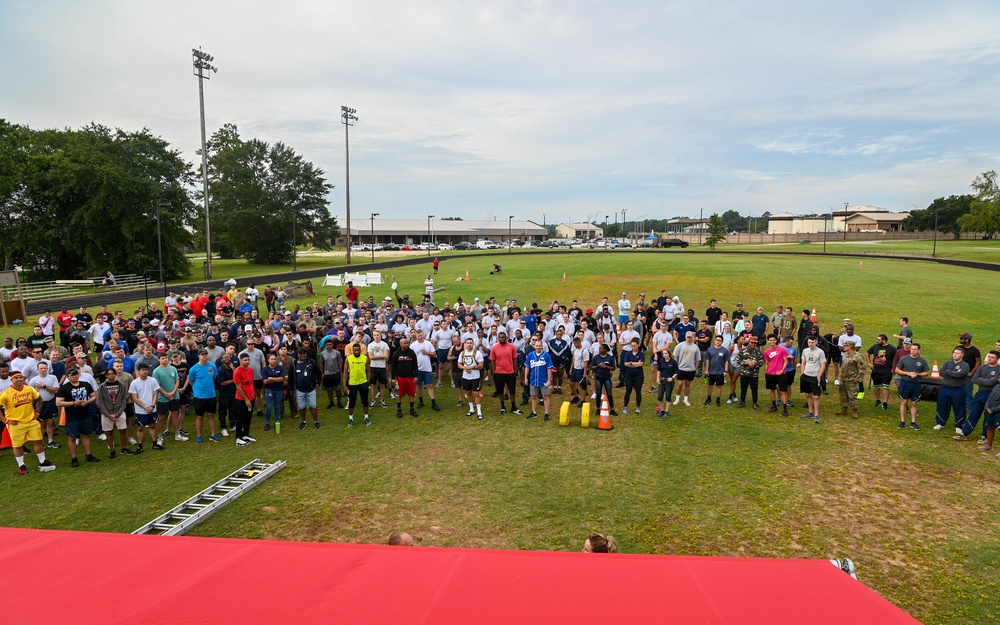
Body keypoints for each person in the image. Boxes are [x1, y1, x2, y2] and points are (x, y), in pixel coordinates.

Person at [1, 372, 58, 474]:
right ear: (11, 380)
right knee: (17, 445)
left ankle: (42, 461)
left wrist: (37, 412)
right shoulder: (6, 393)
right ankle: (21, 466)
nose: (19, 379)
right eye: (16, 378)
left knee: (38, 441)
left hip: (31, 421)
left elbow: (39, 399)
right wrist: (5, 420)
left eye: (20, 377)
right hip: (16, 424)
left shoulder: (29, 389)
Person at [56, 368, 99, 467]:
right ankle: (74, 458)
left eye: (76, 374)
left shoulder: (86, 384)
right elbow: (58, 402)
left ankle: (89, 455)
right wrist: (74, 403)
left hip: (85, 414)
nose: (75, 376)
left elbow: (93, 395)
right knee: (72, 437)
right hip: (72, 417)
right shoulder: (64, 388)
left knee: (86, 435)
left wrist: (88, 402)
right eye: (72, 375)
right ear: (68, 377)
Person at [961, 350, 1000, 444]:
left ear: (997, 359)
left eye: (992, 357)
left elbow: (993, 382)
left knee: (988, 416)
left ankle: (984, 436)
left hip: (991, 395)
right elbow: (974, 379)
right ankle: (965, 433)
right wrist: (986, 381)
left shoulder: (999, 369)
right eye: (989, 356)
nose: (990, 358)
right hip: (980, 393)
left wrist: (981, 380)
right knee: (974, 413)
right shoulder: (982, 367)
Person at [129, 363, 163, 452]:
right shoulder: (134, 383)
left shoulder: (153, 381)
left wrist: (152, 406)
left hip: (152, 408)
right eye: (142, 370)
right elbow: (135, 398)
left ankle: (154, 444)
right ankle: (140, 446)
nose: (145, 372)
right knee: (140, 427)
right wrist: (145, 407)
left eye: (146, 370)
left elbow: (156, 394)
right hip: (141, 410)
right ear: (138, 371)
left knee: (152, 426)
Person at [96, 367, 130, 457]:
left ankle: (124, 448)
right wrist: (106, 414)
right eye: (109, 374)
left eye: (112, 373)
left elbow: (123, 400)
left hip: (119, 411)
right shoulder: (102, 387)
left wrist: (119, 412)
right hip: (107, 412)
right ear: (106, 375)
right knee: (109, 432)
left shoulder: (121, 385)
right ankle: (112, 450)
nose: (111, 375)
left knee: (122, 430)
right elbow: (101, 401)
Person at [188, 349, 220, 443]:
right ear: (199, 356)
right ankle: (199, 435)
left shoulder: (212, 366)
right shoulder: (193, 369)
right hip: (199, 396)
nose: (204, 356)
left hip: (211, 395)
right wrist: (197, 389)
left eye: (206, 354)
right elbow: (191, 381)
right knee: (199, 416)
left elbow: (214, 377)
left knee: (211, 415)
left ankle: (213, 434)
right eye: (202, 355)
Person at [895, 342, 929, 430]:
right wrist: (907, 373)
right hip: (905, 383)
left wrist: (917, 374)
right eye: (912, 349)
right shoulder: (904, 359)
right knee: (904, 402)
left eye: (915, 349)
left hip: (916, 384)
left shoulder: (922, 360)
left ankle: (913, 422)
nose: (913, 351)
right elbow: (897, 370)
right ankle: (902, 421)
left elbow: (926, 373)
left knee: (914, 403)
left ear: (918, 350)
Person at [935, 347, 970, 435]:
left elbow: (960, 374)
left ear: (962, 355)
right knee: (942, 405)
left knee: (959, 407)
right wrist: (954, 373)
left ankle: (959, 425)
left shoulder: (965, 365)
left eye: (957, 353)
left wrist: (949, 372)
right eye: (954, 352)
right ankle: (941, 422)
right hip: (945, 388)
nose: (955, 354)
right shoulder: (948, 363)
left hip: (958, 389)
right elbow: (941, 372)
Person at [835, 340, 866, 420]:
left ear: (851, 346)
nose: (844, 347)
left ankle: (855, 410)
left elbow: (862, 369)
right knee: (843, 395)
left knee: (852, 396)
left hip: (852, 380)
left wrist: (857, 379)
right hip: (843, 379)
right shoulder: (845, 355)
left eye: (846, 345)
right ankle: (844, 408)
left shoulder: (858, 357)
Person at [524, 337, 554, 421]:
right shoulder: (530, 355)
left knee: (545, 396)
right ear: (534, 346)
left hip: (543, 380)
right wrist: (526, 378)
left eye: (539, 346)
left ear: (542, 346)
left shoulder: (546, 355)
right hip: (533, 379)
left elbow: (549, 368)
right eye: (536, 346)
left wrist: (549, 380)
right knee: (533, 397)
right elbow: (527, 367)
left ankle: (547, 413)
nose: (538, 347)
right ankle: (534, 412)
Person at [799, 336, 827, 424]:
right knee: (808, 394)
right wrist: (802, 373)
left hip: (815, 376)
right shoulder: (805, 351)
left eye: (812, 342)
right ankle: (810, 412)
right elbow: (803, 362)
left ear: (816, 342)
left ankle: (816, 415)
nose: (810, 344)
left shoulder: (820, 352)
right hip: (806, 375)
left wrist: (819, 375)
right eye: (809, 342)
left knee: (816, 396)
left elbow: (823, 365)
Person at [390, 337, 420, 418]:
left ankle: (412, 409)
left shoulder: (411, 353)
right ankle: (399, 409)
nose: (406, 345)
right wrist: (393, 378)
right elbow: (393, 367)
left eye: (407, 343)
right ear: (401, 344)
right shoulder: (396, 354)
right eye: (405, 343)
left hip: (410, 377)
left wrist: (416, 376)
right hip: (400, 378)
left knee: (411, 393)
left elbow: (415, 365)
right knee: (399, 394)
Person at [293, 348, 322, 430]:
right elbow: (291, 376)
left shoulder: (311, 362)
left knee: (313, 405)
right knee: (301, 407)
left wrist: (318, 382)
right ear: (297, 354)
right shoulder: (294, 364)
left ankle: (316, 421)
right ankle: (303, 421)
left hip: (311, 389)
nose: (302, 355)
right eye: (300, 353)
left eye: (304, 353)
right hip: (299, 390)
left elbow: (318, 372)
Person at [866, 335, 896, 411]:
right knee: (876, 386)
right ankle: (878, 400)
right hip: (876, 370)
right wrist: (869, 363)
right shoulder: (875, 347)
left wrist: (893, 368)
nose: (877, 341)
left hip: (886, 371)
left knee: (886, 387)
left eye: (879, 340)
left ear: (884, 340)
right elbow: (867, 353)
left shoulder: (892, 349)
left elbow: (896, 359)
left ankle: (885, 402)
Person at [344, 342, 371, 427]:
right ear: (352, 350)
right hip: (352, 383)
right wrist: (345, 385)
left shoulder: (365, 358)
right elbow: (345, 372)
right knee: (352, 402)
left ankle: (366, 417)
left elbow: (368, 371)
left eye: (358, 350)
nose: (356, 352)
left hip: (363, 383)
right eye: (355, 350)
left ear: (360, 350)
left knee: (365, 401)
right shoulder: (348, 359)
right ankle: (351, 419)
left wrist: (368, 381)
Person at [762, 335, 791, 416]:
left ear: (776, 341)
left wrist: (782, 370)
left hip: (781, 374)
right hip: (770, 374)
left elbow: (786, 361)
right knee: (772, 390)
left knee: (783, 391)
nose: (772, 342)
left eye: (773, 340)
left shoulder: (782, 350)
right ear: (768, 341)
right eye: (770, 340)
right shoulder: (767, 351)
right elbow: (767, 363)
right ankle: (774, 405)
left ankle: (785, 408)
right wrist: (766, 372)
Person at [233, 353, 257, 445]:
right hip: (241, 399)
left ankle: (246, 434)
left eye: (248, 360)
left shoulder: (250, 370)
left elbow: (251, 383)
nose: (247, 362)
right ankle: (238, 437)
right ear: (241, 360)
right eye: (245, 360)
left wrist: (252, 396)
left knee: (248, 417)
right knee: (240, 418)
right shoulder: (237, 371)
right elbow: (238, 387)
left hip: (251, 397)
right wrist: (246, 399)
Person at [671, 332, 701, 407]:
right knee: (680, 384)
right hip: (681, 368)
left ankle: (685, 399)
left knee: (688, 384)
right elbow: (675, 356)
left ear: (693, 338)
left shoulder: (695, 348)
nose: (689, 338)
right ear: (685, 337)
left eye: (690, 337)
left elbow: (698, 359)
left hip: (690, 369)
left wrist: (695, 368)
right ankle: (677, 398)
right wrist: (676, 366)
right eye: (688, 337)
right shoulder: (680, 346)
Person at [459, 337, 485, 419]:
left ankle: (479, 411)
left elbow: (481, 365)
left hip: (475, 377)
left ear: (473, 344)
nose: (469, 344)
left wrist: (471, 368)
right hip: (465, 377)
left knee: (476, 393)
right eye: (468, 343)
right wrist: (465, 368)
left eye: (471, 343)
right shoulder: (462, 353)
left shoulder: (477, 353)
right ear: (465, 344)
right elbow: (459, 364)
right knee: (468, 392)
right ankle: (471, 409)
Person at [590, 342, 617, 416]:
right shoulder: (596, 357)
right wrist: (598, 366)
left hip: (607, 378)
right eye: (599, 348)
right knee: (598, 394)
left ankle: (612, 409)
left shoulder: (610, 358)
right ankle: (598, 409)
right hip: (598, 377)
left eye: (600, 348)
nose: (599, 349)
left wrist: (606, 367)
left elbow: (613, 368)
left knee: (609, 393)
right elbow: (591, 367)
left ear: (605, 350)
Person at [261, 353, 286, 432]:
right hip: (269, 390)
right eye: (271, 359)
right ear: (268, 360)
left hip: (279, 390)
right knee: (269, 407)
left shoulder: (280, 368)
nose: (273, 361)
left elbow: (282, 379)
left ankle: (276, 421)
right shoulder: (265, 369)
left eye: (274, 359)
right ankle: (267, 423)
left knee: (277, 406)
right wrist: (276, 379)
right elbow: (265, 381)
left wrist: (271, 378)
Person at [737, 335, 763, 409]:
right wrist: (746, 363)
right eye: (752, 342)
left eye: (755, 343)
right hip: (744, 373)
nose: (753, 344)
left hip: (754, 374)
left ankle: (755, 403)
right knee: (743, 388)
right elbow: (738, 360)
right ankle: (742, 402)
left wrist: (755, 364)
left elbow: (761, 362)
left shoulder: (758, 352)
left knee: (754, 389)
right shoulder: (743, 350)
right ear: (749, 342)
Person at [621, 337, 645, 414]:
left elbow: (641, 364)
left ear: (638, 345)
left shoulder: (641, 354)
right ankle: (625, 407)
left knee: (638, 391)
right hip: (629, 375)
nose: (633, 347)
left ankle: (638, 407)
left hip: (638, 376)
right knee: (628, 391)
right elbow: (625, 364)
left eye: (635, 346)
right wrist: (635, 363)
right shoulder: (628, 353)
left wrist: (631, 363)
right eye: (632, 346)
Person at [704, 335, 729, 407]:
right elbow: (707, 360)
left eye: (720, 340)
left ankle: (718, 399)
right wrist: (706, 370)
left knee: (719, 386)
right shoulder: (710, 349)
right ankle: (709, 398)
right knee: (710, 385)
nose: (718, 341)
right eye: (717, 340)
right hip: (711, 371)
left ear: (722, 342)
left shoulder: (725, 351)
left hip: (720, 372)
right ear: (715, 340)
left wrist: (726, 371)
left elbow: (727, 361)